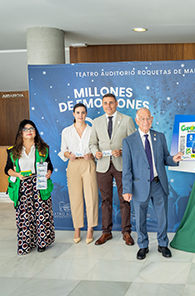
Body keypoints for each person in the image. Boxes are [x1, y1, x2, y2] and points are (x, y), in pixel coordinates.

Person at [122, 108, 182, 260]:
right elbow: (127, 169)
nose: (145, 121)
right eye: (142, 118)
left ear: (152, 119)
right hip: (139, 187)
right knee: (140, 218)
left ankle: (163, 244)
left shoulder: (159, 137)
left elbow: (165, 158)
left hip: (158, 184)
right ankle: (143, 246)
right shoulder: (129, 141)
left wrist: (173, 159)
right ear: (137, 121)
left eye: (148, 118)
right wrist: (127, 189)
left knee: (162, 217)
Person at [89, 93, 136, 246]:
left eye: (110, 103)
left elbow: (134, 143)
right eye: (105, 103)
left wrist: (122, 151)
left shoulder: (127, 120)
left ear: (116, 103)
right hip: (102, 166)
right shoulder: (96, 122)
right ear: (102, 105)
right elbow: (92, 143)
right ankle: (106, 232)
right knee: (105, 200)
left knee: (124, 199)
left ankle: (126, 232)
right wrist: (95, 151)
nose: (108, 106)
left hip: (121, 165)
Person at [4, 119, 55, 255]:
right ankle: (26, 244)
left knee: (41, 214)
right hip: (22, 185)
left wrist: (49, 172)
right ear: (21, 132)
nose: (29, 131)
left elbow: (50, 166)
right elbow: (7, 169)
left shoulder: (43, 149)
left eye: (31, 129)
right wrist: (17, 174)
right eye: (26, 129)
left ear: (35, 132)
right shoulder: (13, 151)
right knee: (25, 216)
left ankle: (42, 242)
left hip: (39, 184)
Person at [59, 103, 98, 244]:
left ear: (86, 114)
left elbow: (97, 149)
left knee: (91, 196)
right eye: (78, 112)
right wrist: (69, 154)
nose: (80, 115)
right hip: (73, 164)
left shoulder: (93, 130)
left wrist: (92, 155)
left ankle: (90, 228)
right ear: (73, 114)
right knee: (75, 197)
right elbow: (63, 149)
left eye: (83, 112)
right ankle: (77, 227)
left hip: (88, 163)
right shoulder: (66, 131)